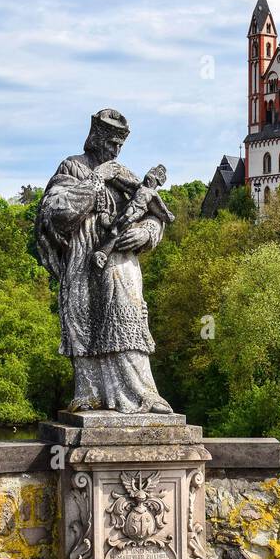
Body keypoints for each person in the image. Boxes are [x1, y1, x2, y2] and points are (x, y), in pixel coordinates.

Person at [34, 109, 173, 413]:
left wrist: (145, 234)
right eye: (110, 143)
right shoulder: (73, 167)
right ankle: (88, 395)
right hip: (83, 258)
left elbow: (153, 211)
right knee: (82, 322)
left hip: (120, 261)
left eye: (119, 146)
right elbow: (54, 212)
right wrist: (97, 181)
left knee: (128, 317)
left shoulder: (123, 174)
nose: (114, 151)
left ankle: (144, 394)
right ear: (95, 137)